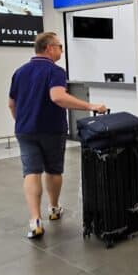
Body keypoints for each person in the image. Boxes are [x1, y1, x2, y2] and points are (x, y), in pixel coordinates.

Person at [9, 32, 106, 239]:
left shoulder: (19, 72)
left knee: (31, 172)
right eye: (59, 46)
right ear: (49, 48)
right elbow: (58, 97)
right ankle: (53, 208)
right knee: (53, 171)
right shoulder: (55, 71)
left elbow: (11, 103)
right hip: (51, 130)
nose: (61, 50)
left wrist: (22, 122)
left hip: (25, 130)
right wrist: (91, 106)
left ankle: (35, 220)